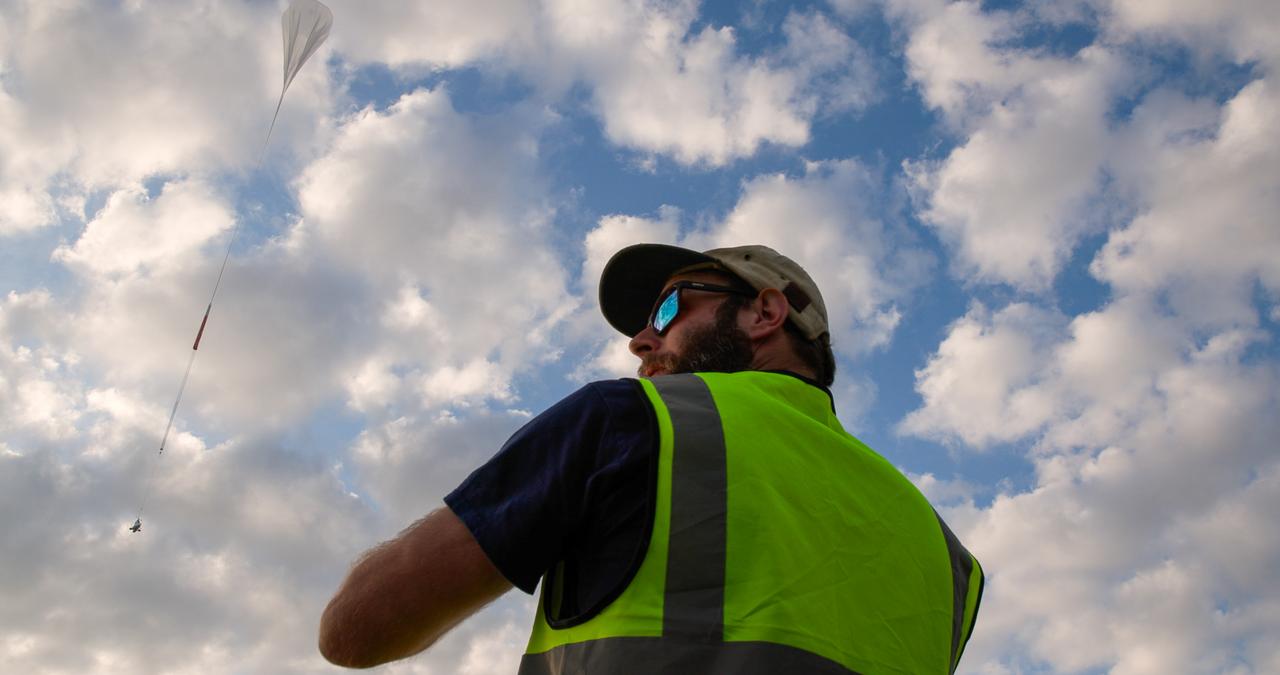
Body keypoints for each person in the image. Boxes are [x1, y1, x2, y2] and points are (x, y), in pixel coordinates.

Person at [319, 243, 984, 673]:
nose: (641, 340)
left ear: (765, 312)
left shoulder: (632, 420)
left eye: (670, 307)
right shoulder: (949, 558)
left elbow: (355, 629)